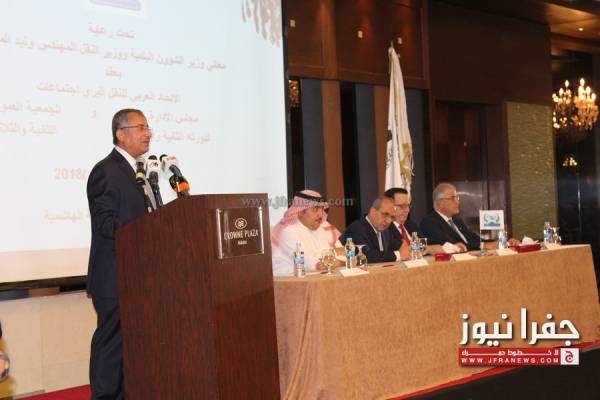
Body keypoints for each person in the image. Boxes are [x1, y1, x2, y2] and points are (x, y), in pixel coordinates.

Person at [87, 108, 152, 399]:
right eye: (141, 127)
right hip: (113, 276)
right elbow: (105, 223)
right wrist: (143, 229)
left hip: (136, 275)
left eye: (148, 127)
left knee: (131, 346)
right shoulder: (105, 170)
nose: (147, 133)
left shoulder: (139, 172)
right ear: (121, 134)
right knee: (111, 345)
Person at [419, 183, 518, 252]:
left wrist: (501, 242)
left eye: (457, 198)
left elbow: (475, 239)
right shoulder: (430, 222)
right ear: (440, 202)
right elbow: (452, 245)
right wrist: (483, 246)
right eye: (453, 198)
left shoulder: (456, 220)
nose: (458, 202)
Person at [271, 190, 343, 276]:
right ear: (301, 212)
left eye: (321, 209)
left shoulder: (322, 228)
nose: (321, 214)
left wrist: (338, 261)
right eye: (315, 209)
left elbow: (342, 254)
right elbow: (313, 264)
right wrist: (335, 260)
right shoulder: (288, 231)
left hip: (315, 277)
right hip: (289, 280)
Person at [341, 196, 410, 263]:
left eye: (392, 217)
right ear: (373, 211)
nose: (388, 221)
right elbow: (366, 255)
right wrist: (398, 255)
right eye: (385, 214)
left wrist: (404, 248)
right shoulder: (356, 229)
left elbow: (400, 246)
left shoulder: (385, 231)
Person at [384, 187, 443, 254]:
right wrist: (426, 248)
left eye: (408, 206)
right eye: (402, 206)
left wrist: (429, 248)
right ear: (389, 206)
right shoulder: (386, 228)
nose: (407, 210)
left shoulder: (411, 225)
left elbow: (426, 244)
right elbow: (400, 250)